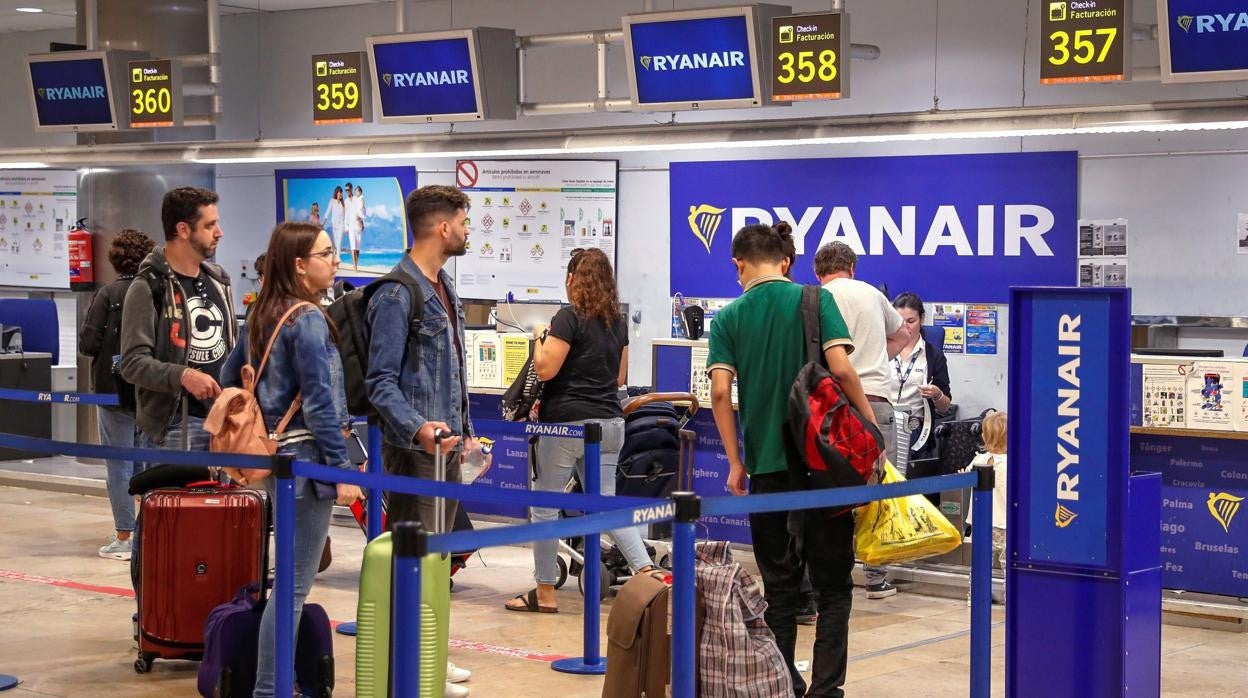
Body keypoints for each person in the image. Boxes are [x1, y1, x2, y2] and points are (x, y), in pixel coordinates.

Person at [707, 222, 874, 698]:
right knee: (834, 587)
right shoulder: (815, 300)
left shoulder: (729, 318)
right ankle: (826, 690)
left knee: (779, 590)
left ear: (739, 264)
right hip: (826, 469)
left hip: (768, 470)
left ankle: (782, 685)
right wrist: (868, 428)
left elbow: (720, 392)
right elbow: (841, 368)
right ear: (784, 260)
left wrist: (737, 462)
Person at [219, 221, 363, 698]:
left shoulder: (262, 313)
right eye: (327, 253)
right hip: (304, 460)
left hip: (273, 460)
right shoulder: (308, 320)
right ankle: (269, 689)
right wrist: (341, 471)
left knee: (290, 584)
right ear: (300, 265)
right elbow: (322, 401)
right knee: (294, 590)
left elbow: (228, 375)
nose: (336, 260)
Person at [365, 184, 477, 696]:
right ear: (441, 226)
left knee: (437, 561)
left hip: (446, 453)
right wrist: (419, 427)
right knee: (413, 562)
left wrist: (466, 431)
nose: (468, 230)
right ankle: (409, 662)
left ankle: (433, 653)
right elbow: (379, 382)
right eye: (464, 221)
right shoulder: (396, 293)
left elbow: (451, 367)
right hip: (413, 454)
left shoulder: (443, 287)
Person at [504, 248, 655, 614]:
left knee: (545, 507)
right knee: (607, 507)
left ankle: (546, 593)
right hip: (610, 425)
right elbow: (619, 378)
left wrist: (540, 334)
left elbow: (545, 369)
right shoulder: (616, 323)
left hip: (568, 427)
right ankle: (648, 577)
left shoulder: (567, 318)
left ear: (573, 280)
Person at [812, 241, 911, 603]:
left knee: (827, 489)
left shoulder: (813, 297)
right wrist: (879, 358)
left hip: (830, 406)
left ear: (817, 271)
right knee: (878, 490)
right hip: (876, 401)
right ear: (852, 267)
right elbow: (903, 334)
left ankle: (825, 576)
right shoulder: (872, 293)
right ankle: (876, 578)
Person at [120, 186, 235, 453]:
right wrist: (182, 375)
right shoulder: (148, 286)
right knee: (175, 497)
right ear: (183, 230)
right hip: (174, 426)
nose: (220, 232)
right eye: (210, 225)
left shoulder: (219, 281)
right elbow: (132, 363)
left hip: (223, 423)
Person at [79, 229, 155, 560]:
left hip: (112, 391)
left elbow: (88, 344)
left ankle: (125, 535)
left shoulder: (108, 294)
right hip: (149, 390)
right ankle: (149, 530)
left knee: (118, 464)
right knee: (143, 462)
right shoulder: (155, 292)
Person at [889, 292, 953, 487]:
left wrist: (936, 394)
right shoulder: (883, 349)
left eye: (911, 321)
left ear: (922, 319)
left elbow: (945, 406)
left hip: (916, 429)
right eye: (900, 321)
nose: (905, 326)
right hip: (886, 425)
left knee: (911, 488)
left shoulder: (933, 356)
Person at [966, 411, 1007, 599]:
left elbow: (965, 478)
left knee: (980, 564)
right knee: (1009, 566)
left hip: (981, 523)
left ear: (984, 435)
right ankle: (1011, 599)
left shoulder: (978, 460)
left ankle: (975, 596)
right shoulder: (1014, 464)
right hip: (1007, 524)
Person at [346, 183, 364, 271]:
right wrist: (346, 227)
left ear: (351, 189)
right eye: (346, 190)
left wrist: (362, 223)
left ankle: (355, 264)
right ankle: (355, 267)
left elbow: (360, 211)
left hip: (358, 225)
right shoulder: (345, 201)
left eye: (348, 189)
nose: (347, 191)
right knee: (353, 247)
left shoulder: (356, 199)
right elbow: (345, 215)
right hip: (351, 227)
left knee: (358, 248)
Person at [325, 186, 346, 258]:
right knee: (336, 243)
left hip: (341, 225)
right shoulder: (332, 201)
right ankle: (335, 256)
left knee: (339, 243)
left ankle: (338, 259)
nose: (341, 195)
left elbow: (345, 217)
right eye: (340, 193)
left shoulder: (343, 204)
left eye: (342, 193)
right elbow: (327, 213)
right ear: (336, 193)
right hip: (334, 225)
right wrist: (323, 224)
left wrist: (345, 227)